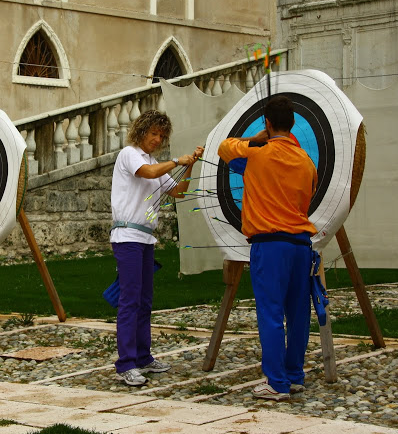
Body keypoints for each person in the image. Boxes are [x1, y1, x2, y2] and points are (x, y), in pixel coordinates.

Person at [217, 95, 318, 401]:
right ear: (293, 124)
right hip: (301, 245)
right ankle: (294, 375)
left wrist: (257, 139)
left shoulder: (256, 155)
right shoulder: (307, 162)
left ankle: (276, 383)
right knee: (298, 313)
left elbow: (224, 149)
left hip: (270, 245)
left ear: (268, 123)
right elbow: (309, 196)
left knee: (271, 312)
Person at [110, 109, 204, 386]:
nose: (157, 139)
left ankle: (143, 356)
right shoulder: (129, 154)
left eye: (161, 135)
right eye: (153, 133)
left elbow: (179, 191)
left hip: (145, 237)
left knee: (144, 301)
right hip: (127, 236)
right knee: (129, 301)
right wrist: (177, 160)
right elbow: (149, 172)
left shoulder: (154, 161)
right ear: (142, 132)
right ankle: (126, 363)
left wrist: (190, 165)